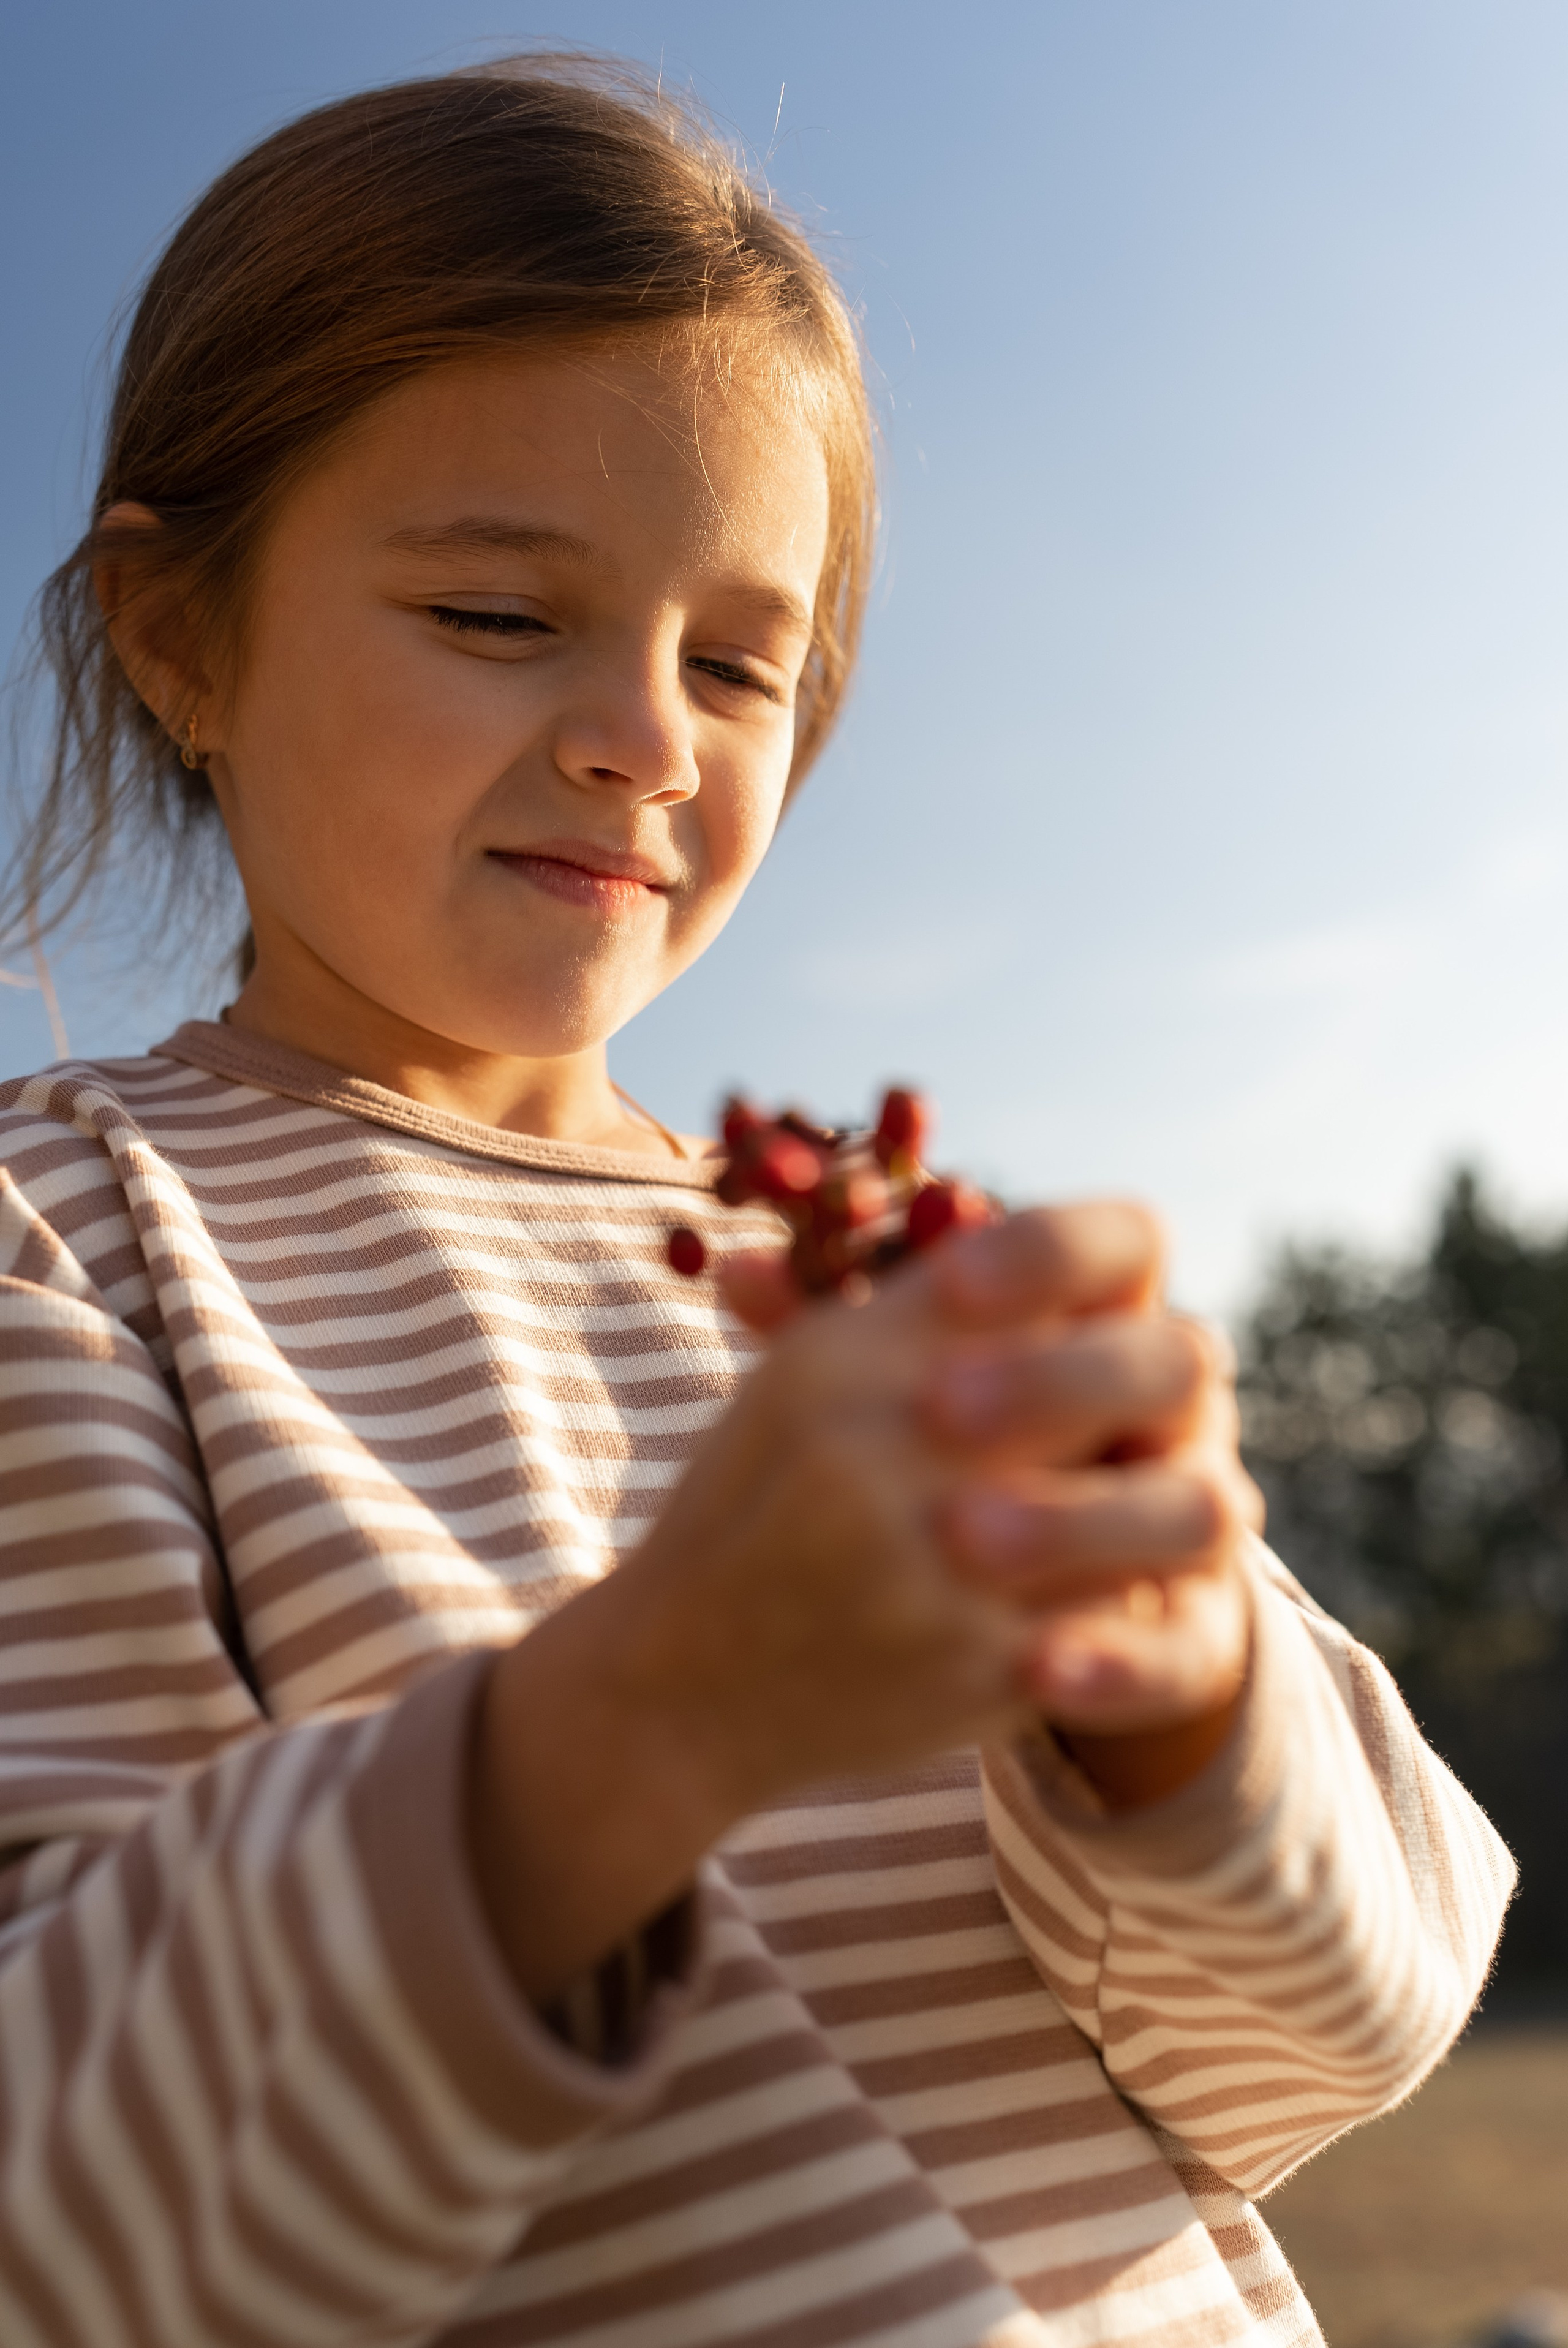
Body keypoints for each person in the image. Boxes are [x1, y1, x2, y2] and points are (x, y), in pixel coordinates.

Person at [0, 57, 1512, 2348]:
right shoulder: (67, 1245)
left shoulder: (885, 1273)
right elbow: (76, 2236)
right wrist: (645, 1718)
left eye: (739, 662)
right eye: (501, 616)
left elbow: (1315, 2050)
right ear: (178, 633)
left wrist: (1186, 1700)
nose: (648, 735)